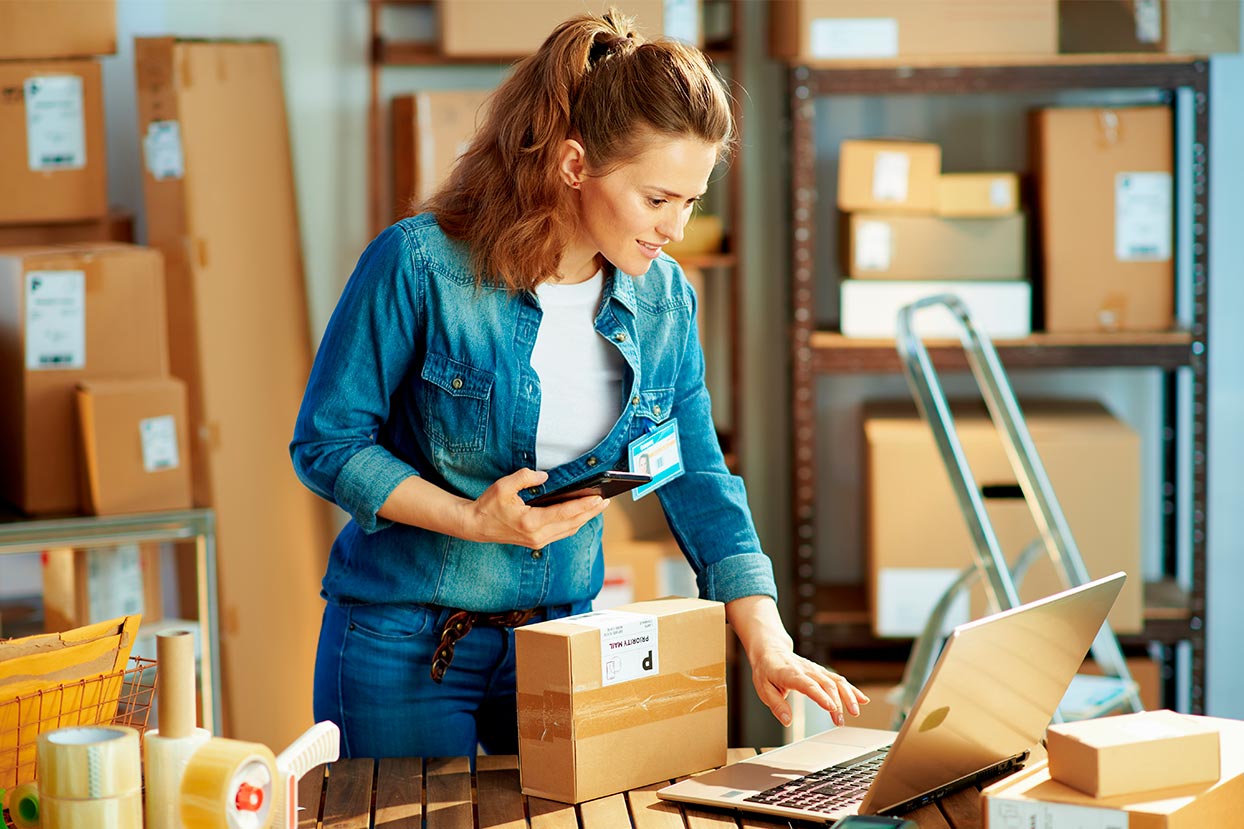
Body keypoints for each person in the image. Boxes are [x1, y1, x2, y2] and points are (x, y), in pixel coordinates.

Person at [290, 7, 868, 760]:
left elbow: (694, 471)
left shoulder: (662, 300)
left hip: (561, 646)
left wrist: (765, 638)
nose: (676, 229)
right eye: (657, 199)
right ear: (573, 166)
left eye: (692, 201)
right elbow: (329, 444)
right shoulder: (421, 265)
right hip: (405, 646)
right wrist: (473, 519)